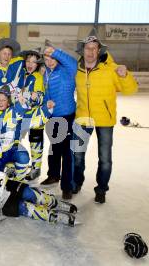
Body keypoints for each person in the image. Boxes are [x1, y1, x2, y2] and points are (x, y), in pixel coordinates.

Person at [72, 29, 138, 204]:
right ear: (82, 50)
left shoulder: (111, 69)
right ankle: (76, 183)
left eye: (95, 48)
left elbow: (131, 90)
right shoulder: (76, 70)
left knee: (105, 159)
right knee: (77, 156)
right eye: (88, 48)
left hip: (105, 120)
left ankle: (101, 189)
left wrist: (125, 76)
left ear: (99, 50)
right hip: (82, 118)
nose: (91, 51)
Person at [41, 40, 77, 200]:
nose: (49, 61)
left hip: (67, 116)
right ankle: (53, 175)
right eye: (46, 58)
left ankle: (67, 186)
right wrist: (46, 106)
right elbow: (46, 94)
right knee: (54, 148)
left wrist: (55, 51)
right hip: (53, 116)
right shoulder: (46, 74)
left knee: (67, 152)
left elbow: (73, 62)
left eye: (51, 58)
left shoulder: (67, 70)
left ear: (57, 58)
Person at [19, 48, 46, 180]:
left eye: (34, 62)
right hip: (19, 115)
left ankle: (36, 168)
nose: (30, 64)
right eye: (28, 61)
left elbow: (40, 97)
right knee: (14, 140)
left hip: (35, 116)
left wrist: (29, 97)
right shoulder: (20, 74)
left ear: (38, 65)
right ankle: (15, 165)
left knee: (35, 142)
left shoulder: (38, 77)